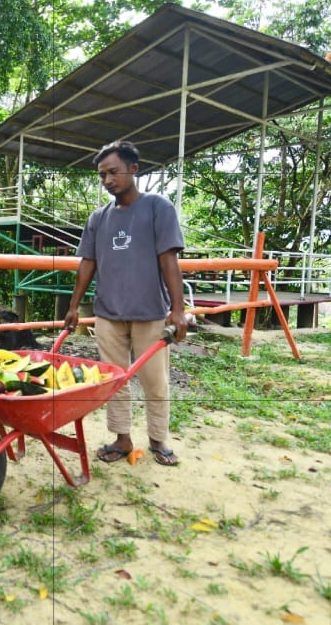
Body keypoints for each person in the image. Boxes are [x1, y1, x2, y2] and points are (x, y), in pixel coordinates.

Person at [62, 140, 188, 466]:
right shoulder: (98, 218)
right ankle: (121, 439)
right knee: (114, 379)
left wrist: (178, 309)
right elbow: (87, 263)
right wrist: (74, 306)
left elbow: (169, 260)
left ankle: (158, 439)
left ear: (134, 169)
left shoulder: (158, 208)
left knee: (154, 380)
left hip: (150, 313)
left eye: (113, 172)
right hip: (108, 313)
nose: (107, 180)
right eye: (102, 175)